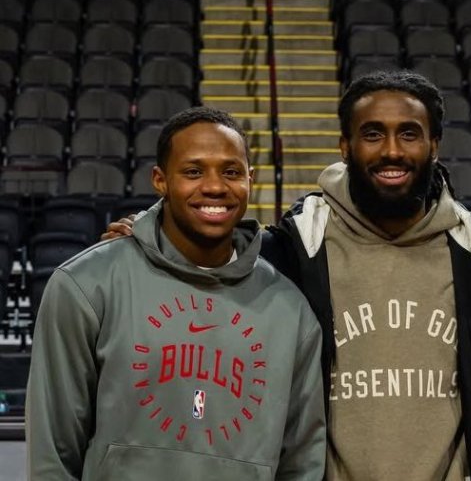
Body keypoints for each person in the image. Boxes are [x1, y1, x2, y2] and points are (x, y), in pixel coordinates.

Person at [27, 107, 326, 479]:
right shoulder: (86, 285)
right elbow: (52, 457)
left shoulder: (291, 311)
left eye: (232, 172)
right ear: (160, 180)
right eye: (193, 171)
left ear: (251, 179)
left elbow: (303, 464)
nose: (215, 186)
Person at [257, 70, 471, 480]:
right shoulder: (291, 252)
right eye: (373, 134)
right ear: (345, 146)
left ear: (435, 146)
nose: (392, 150)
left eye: (409, 134)